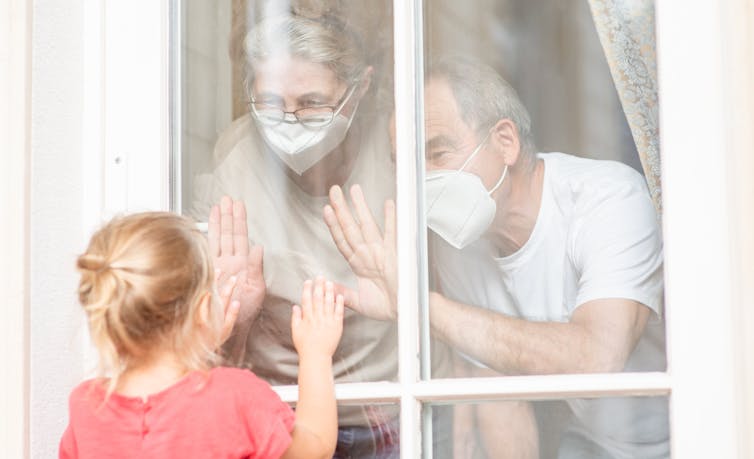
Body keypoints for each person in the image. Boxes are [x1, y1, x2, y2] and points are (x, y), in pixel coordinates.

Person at [323, 56, 669, 458]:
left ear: (505, 142)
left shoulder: (610, 199)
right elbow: (500, 395)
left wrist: (417, 307)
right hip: (592, 444)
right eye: (407, 167)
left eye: (437, 153)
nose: (421, 181)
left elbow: (596, 357)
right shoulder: (458, 248)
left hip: (698, 428)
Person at [190, 13, 436, 457]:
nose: (289, 120)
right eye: (269, 102)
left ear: (360, 88)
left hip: (383, 407)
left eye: (313, 103)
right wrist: (236, 314)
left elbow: (445, 302)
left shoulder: (398, 149)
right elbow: (211, 355)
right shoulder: (236, 160)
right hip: (276, 408)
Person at [59, 212, 344, 459]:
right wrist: (316, 354)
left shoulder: (87, 407)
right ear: (203, 309)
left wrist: (197, 345)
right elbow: (315, 449)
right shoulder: (234, 396)